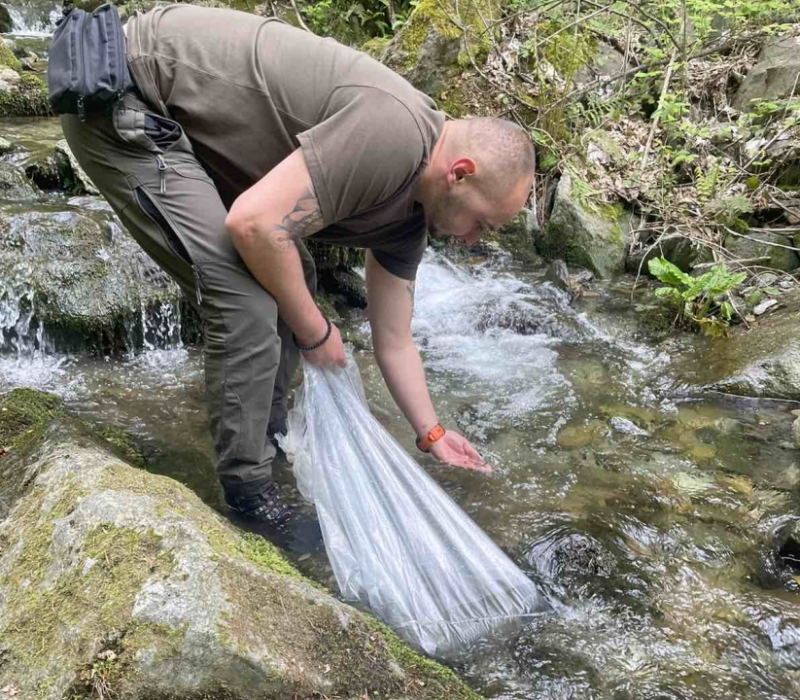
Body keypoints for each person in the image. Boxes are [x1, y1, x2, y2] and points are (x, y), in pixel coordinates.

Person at [61, 4, 535, 527]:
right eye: (483, 225)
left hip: (181, 118)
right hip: (123, 92)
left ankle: (269, 442)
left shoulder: (412, 218)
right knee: (244, 298)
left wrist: (433, 434)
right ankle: (249, 494)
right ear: (460, 174)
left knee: (295, 284)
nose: (472, 241)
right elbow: (256, 226)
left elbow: (395, 339)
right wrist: (315, 333)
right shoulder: (394, 136)